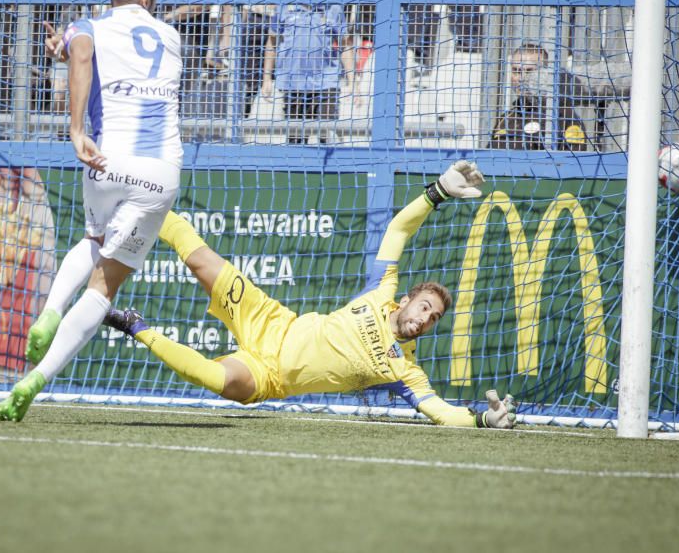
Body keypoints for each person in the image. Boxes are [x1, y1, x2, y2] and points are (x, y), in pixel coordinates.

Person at [103, 161, 517, 429]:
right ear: (406, 300)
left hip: (270, 377)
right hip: (271, 321)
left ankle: (134, 325)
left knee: (216, 380)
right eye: (425, 306)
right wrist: (437, 192)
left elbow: (441, 412)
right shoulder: (381, 292)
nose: (426, 318)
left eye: (434, 318)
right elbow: (398, 231)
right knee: (202, 263)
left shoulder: (405, 372)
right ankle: (141, 203)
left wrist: (481, 418)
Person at [0, 0, 184, 422]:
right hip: (161, 168)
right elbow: (114, 63)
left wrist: (76, 129)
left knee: (91, 240)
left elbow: (84, 55)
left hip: (106, 158)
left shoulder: (89, 25)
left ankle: (50, 310)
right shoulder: (173, 37)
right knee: (103, 289)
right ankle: (36, 380)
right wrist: (77, 48)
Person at [260, 0, 355, 143]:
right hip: (293, 81)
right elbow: (271, 42)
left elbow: (345, 45)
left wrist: (353, 81)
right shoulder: (285, 6)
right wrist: (266, 78)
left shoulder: (333, 7)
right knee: (296, 138)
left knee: (327, 136)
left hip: (326, 81)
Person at [489, 42, 588, 150]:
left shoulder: (564, 117)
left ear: (545, 75)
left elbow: (571, 163)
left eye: (529, 71)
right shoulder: (507, 118)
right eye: (516, 71)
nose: (521, 78)